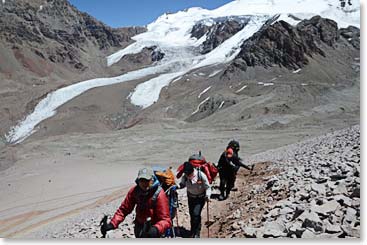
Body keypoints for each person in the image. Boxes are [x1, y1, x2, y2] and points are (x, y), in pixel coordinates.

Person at [100, 167, 172, 238]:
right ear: (138, 180)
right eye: (142, 180)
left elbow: (166, 220)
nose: (144, 183)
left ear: (152, 180)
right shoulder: (135, 191)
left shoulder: (159, 194)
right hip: (139, 227)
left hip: (154, 230)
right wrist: (112, 224)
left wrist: (155, 230)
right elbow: (124, 210)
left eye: (147, 180)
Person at [178, 161, 211, 238]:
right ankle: (193, 231)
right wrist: (175, 187)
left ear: (192, 171)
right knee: (192, 215)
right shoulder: (185, 177)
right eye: (186, 174)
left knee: (196, 214)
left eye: (189, 174)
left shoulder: (201, 175)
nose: (188, 176)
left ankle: (197, 232)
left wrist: (208, 195)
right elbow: (182, 185)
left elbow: (208, 187)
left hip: (200, 198)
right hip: (190, 198)